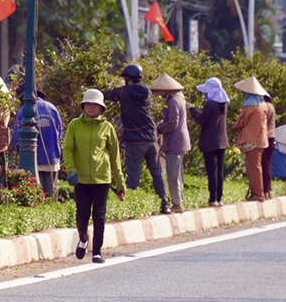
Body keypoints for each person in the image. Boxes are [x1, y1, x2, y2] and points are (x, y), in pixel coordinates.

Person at [61, 88, 126, 263]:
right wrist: (71, 170)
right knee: (82, 215)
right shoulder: (74, 125)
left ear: (101, 108)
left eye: (95, 105)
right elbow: (67, 149)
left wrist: (120, 183)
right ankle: (83, 238)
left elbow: (114, 157)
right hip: (80, 178)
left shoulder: (107, 128)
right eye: (88, 104)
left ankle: (97, 251)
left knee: (99, 216)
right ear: (83, 106)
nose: (91, 108)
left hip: (101, 179)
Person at [104, 63, 170, 214]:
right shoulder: (146, 91)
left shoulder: (125, 91)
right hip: (151, 139)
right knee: (157, 173)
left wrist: (94, 94)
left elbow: (109, 95)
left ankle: (133, 206)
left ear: (128, 78)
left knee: (134, 176)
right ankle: (165, 203)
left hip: (135, 140)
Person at [150, 74, 190, 213]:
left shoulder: (173, 101)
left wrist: (158, 128)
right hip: (179, 141)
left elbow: (173, 123)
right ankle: (179, 201)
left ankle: (177, 204)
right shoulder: (178, 99)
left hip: (175, 141)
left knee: (173, 174)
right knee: (177, 174)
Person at [190, 77, 230, 206]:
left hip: (210, 142)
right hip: (222, 142)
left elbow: (201, 120)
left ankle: (212, 199)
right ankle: (219, 198)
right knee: (219, 171)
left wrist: (192, 109)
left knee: (212, 171)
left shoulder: (210, 104)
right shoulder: (223, 104)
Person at [21, 87, 65, 200]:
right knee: (51, 195)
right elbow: (59, 131)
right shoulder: (51, 108)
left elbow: (17, 137)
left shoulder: (23, 111)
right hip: (52, 158)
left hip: (32, 159)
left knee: (37, 196)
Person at [232, 76, 271, 201]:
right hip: (261, 139)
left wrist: (233, 125)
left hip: (252, 139)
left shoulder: (249, 105)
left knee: (253, 167)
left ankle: (257, 194)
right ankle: (259, 192)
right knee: (257, 166)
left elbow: (241, 122)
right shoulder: (263, 105)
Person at [260, 94, 277, 200]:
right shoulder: (271, 106)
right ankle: (267, 189)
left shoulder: (265, 106)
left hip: (266, 137)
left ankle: (266, 189)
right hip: (272, 137)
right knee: (267, 164)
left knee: (264, 164)